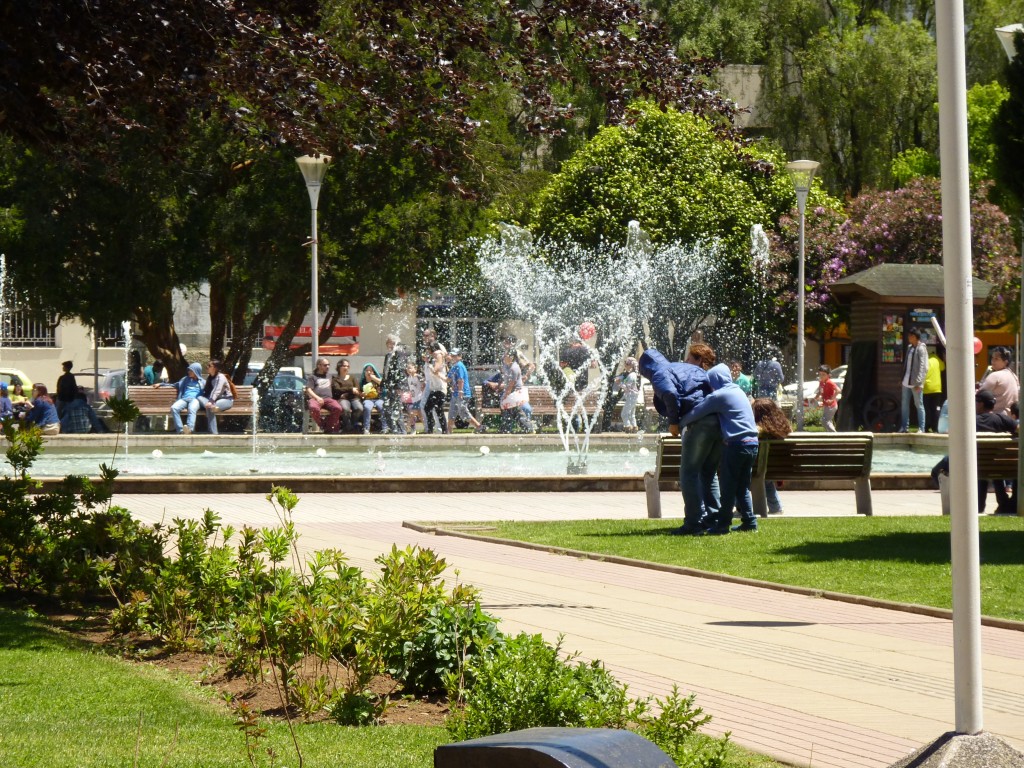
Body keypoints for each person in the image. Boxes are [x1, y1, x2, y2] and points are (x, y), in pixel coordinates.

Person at [638, 345, 719, 535]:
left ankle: (693, 522)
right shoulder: (689, 367)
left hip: (696, 422)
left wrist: (673, 422)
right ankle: (713, 517)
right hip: (717, 418)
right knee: (709, 472)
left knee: (689, 473)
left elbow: (671, 394)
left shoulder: (659, 372)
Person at [678, 363, 759, 534]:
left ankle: (722, 525)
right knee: (742, 486)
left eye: (711, 382)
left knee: (728, 487)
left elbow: (696, 412)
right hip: (752, 444)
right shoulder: (738, 391)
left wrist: (679, 424)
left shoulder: (719, 395)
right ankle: (750, 522)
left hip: (736, 445)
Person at [931, 389, 1016, 513]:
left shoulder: (969, 421)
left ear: (981, 404)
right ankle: (998, 503)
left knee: (936, 471)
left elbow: (951, 434)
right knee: (983, 467)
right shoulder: (1002, 420)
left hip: (971, 464)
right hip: (995, 465)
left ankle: (959, 501)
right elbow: (1018, 428)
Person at [752, 398, 790, 514]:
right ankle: (776, 508)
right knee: (766, 478)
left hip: (759, 469)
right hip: (780, 468)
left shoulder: (758, 432)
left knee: (740, 474)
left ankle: (741, 508)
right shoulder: (784, 429)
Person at [158, 361, 205, 434]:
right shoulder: (185, 379)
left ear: (196, 371)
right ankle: (180, 430)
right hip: (184, 399)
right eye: (189, 370)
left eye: (191, 370)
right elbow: (174, 385)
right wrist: (161, 384)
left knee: (192, 409)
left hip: (195, 400)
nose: (189, 372)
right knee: (174, 408)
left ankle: (189, 429)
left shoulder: (203, 382)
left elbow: (208, 392)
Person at [447, 348, 483, 433]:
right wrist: (435, 373)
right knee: (451, 414)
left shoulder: (459, 365)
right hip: (456, 394)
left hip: (462, 394)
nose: (452, 357)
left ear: (460, 356)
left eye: (455, 356)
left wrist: (460, 391)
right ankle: (448, 433)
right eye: (452, 355)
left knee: (463, 413)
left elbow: (461, 379)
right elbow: (447, 379)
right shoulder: (454, 366)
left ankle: (479, 426)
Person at [899, 328, 928, 433]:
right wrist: (902, 378)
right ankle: (904, 427)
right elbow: (906, 364)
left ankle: (921, 428)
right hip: (906, 382)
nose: (908, 338)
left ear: (915, 337)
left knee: (919, 405)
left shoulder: (921, 348)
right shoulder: (909, 348)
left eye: (910, 336)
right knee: (904, 404)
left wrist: (919, 383)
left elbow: (923, 366)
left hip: (916, 383)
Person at [978, 346, 1018, 419]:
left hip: (995, 417)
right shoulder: (1014, 376)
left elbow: (980, 395)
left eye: (996, 359)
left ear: (1005, 362)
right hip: (1010, 417)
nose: (993, 361)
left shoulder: (995, 376)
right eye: (992, 358)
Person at [305, 357, 343, 434]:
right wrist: (317, 398)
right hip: (316, 399)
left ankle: (328, 428)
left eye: (328, 365)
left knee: (338, 408)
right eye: (325, 365)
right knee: (313, 408)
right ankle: (322, 425)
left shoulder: (330, 376)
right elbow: (308, 389)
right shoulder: (312, 376)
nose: (328, 367)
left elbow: (338, 386)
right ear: (319, 366)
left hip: (328, 399)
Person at [197, 360, 235, 435]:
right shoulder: (210, 377)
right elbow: (207, 392)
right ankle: (210, 406)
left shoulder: (220, 377)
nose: (207, 367)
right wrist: (208, 401)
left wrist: (211, 401)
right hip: (214, 401)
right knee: (199, 398)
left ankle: (214, 433)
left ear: (215, 368)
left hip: (226, 400)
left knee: (210, 408)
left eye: (209, 366)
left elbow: (216, 390)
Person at [381, 334, 409, 434]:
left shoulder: (399, 353)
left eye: (392, 342)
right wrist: (382, 384)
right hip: (389, 387)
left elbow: (401, 371)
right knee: (387, 409)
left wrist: (399, 386)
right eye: (389, 343)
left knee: (397, 409)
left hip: (397, 387)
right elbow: (386, 372)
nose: (390, 345)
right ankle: (395, 430)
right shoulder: (388, 355)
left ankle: (402, 432)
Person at [330, 359, 364, 433]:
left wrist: (346, 393)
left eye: (347, 366)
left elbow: (357, 388)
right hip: (343, 399)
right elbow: (337, 390)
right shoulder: (335, 379)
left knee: (359, 408)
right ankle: (348, 427)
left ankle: (349, 426)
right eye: (344, 366)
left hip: (353, 398)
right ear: (339, 367)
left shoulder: (352, 378)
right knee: (345, 409)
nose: (346, 368)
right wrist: (351, 389)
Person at [424, 341, 448, 434]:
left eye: (428, 349)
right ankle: (441, 430)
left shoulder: (438, 355)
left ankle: (435, 429)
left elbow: (436, 369)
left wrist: (429, 364)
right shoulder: (434, 356)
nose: (427, 351)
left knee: (432, 408)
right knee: (435, 409)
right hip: (435, 387)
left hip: (440, 387)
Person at [615, 357, 641, 433]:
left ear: (630, 365)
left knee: (624, 414)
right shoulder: (633, 374)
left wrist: (619, 383)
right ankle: (634, 428)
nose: (625, 366)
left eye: (626, 365)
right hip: (633, 396)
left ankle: (627, 427)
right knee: (631, 414)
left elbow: (628, 388)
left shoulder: (632, 375)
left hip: (631, 396)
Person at [923, 346, 945, 433]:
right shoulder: (936, 359)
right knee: (936, 409)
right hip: (937, 389)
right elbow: (943, 367)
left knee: (926, 409)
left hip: (926, 388)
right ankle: (935, 427)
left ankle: (926, 427)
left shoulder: (924, 360)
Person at [360, 362, 387, 434]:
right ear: (364, 372)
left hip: (378, 399)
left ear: (374, 371)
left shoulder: (376, 379)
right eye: (367, 370)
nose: (369, 372)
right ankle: (366, 428)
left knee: (381, 406)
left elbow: (383, 384)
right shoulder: (363, 381)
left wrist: (374, 378)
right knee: (367, 407)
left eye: (371, 370)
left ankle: (385, 428)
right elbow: (360, 392)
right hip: (368, 399)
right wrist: (362, 394)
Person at [402, 361, 425, 434]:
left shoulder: (418, 377)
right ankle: (427, 428)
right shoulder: (408, 378)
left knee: (412, 414)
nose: (408, 370)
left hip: (420, 398)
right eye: (407, 368)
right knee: (420, 416)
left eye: (410, 368)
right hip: (414, 399)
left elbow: (424, 385)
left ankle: (410, 429)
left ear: (415, 369)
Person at [815, 364, 839, 433]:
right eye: (820, 374)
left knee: (825, 421)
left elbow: (838, 390)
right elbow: (820, 391)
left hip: (832, 405)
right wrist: (816, 397)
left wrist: (832, 399)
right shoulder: (822, 382)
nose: (821, 376)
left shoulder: (829, 382)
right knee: (827, 421)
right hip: (827, 405)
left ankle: (834, 434)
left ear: (828, 375)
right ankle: (831, 434)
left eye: (823, 374)